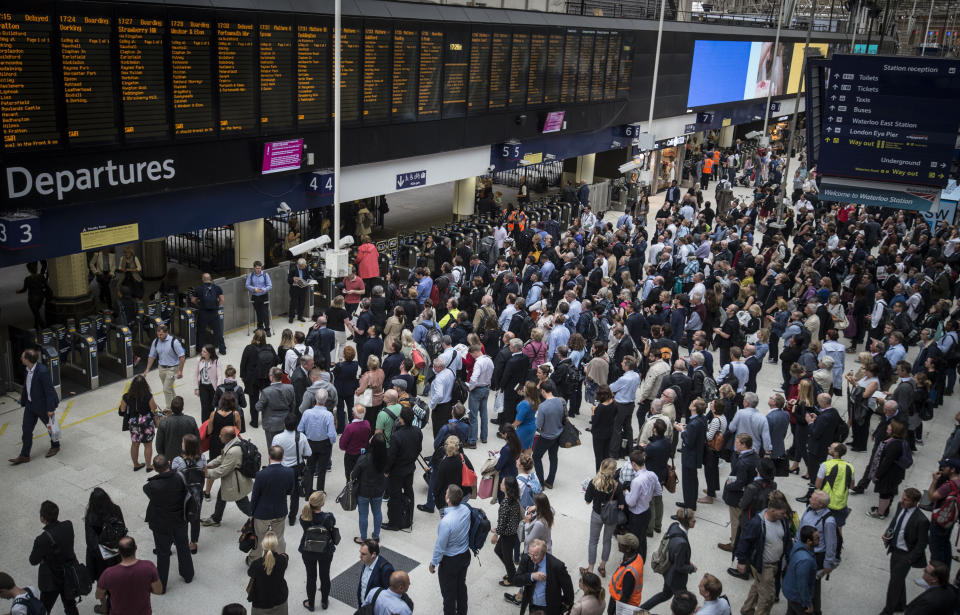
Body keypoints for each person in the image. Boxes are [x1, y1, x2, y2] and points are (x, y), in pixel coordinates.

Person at [730, 491, 793, 615]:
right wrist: (741, 562)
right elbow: (744, 542)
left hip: (776, 563)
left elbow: (786, 540)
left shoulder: (782, 521)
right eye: (783, 513)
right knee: (768, 597)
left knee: (758, 586)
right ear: (773, 510)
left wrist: (789, 558)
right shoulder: (757, 523)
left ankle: (747, 610)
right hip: (763, 565)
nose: (785, 515)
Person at [142, 454, 195, 590]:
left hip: (161, 524)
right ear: (169, 463)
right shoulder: (180, 477)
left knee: (163, 554)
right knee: (183, 548)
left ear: (154, 468)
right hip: (179, 520)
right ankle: (188, 575)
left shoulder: (151, 486)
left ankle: (162, 585)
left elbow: (147, 492)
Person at [880, 488, 929, 615]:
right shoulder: (900, 506)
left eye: (906, 500)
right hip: (895, 549)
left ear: (914, 502)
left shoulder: (922, 520)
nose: (902, 501)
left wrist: (910, 559)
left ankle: (888, 610)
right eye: (903, 498)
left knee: (894, 584)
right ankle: (900, 605)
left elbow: (922, 543)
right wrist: (888, 534)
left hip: (906, 555)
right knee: (897, 579)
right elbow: (895, 522)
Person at [640, 509, 697, 611]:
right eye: (692, 519)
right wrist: (691, 568)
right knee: (686, 605)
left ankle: (640, 609)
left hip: (668, 572)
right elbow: (679, 566)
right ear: (686, 522)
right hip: (677, 579)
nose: (695, 520)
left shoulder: (674, 526)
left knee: (665, 594)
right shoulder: (682, 544)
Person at [10, 349, 60, 465]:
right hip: (30, 405)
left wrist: (50, 409)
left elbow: (49, 391)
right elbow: (27, 386)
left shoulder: (42, 371)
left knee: (51, 427)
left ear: (27, 360)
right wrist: (23, 399)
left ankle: (55, 446)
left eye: (22, 357)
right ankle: (24, 455)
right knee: (26, 429)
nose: (21, 359)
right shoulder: (27, 370)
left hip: (43, 406)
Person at [28, 500, 78, 615]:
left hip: (51, 579)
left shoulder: (41, 539)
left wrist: (44, 559)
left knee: (44, 608)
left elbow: (33, 560)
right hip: (69, 574)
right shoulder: (68, 525)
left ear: (42, 518)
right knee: (70, 605)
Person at [430, 484, 472, 615]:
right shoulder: (466, 510)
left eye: (446, 493)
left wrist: (433, 563)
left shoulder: (446, 522)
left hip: (450, 561)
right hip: (465, 555)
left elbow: (440, 547)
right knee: (461, 587)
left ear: (448, 499)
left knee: (448, 594)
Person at [249, 446, 296, 561]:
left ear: (269, 457)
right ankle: (280, 558)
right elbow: (291, 491)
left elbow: (255, 496)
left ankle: (255, 559)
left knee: (259, 537)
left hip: (262, 513)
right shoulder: (290, 472)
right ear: (282, 457)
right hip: (280, 510)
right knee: (279, 537)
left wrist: (251, 513)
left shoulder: (261, 475)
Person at [83, 487, 125, 612]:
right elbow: (122, 529)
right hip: (116, 554)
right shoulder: (116, 509)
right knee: (116, 581)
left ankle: (104, 607)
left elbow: (91, 542)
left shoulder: (91, 517)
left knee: (102, 582)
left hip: (99, 559)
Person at [95, 537, 163, 614]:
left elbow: (98, 595)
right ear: (136, 548)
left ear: (119, 552)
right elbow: (158, 590)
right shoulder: (149, 567)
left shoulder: (108, 574)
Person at [202, 427, 253, 527]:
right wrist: (208, 465)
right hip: (232, 480)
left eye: (221, 435)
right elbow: (222, 457)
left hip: (235, 483)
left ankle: (261, 520)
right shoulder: (234, 442)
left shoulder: (233, 451)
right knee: (221, 496)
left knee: (243, 504)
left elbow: (223, 470)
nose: (219, 436)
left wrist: (207, 473)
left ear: (227, 437)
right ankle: (216, 518)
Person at [798, 491, 838, 615]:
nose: (809, 499)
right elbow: (801, 527)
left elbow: (831, 544)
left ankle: (815, 610)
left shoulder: (829, 521)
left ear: (821, 505)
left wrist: (828, 564)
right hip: (801, 551)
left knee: (813, 585)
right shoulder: (809, 508)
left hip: (815, 556)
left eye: (813, 499)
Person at [718, 433, 759, 551]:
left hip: (738, 497)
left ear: (744, 445)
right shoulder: (754, 456)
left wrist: (729, 486)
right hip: (746, 494)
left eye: (737, 443)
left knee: (735, 520)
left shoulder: (743, 462)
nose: (735, 445)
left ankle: (734, 543)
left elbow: (740, 482)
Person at [383, 408, 422, 532]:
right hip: (409, 468)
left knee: (395, 496)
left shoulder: (396, 436)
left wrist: (386, 470)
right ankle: (409, 518)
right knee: (409, 492)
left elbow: (391, 457)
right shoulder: (417, 431)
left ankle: (394, 523)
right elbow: (419, 449)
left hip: (397, 471)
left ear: (402, 420)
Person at [298, 491, 338, 611]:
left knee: (311, 577)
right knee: (325, 576)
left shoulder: (304, 517)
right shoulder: (328, 517)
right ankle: (324, 602)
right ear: (322, 503)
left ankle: (311, 604)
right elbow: (333, 525)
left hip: (308, 550)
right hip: (325, 551)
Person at [512, 538, 574, 615]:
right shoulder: (526, 559)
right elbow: (516, 581)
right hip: (533, 605)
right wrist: (532, 576)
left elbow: (568, 589)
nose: (532, 558)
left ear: (544, 553)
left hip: (549, 607)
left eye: (535, 555)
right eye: (530, 554)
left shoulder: (557, 566)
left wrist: (565, 605)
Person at [272, 412, 313, 526]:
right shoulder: (302, 437)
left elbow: (273, 453)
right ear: (296, 425)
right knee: (295, 495)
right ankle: (292, 517)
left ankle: (280, 514)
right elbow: (308, 453)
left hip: (282, 468)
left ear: (284, 424)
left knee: (281, 493)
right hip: (297, 469)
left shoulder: (277, 438)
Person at [583, 459, 623, 578]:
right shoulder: (616, 485)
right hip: (610, 517)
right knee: (607, 540)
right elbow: (621, 505)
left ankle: (590, 569)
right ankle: (602, 566)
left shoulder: (593, 482)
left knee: (593, 541)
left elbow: (587, 501)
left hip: (596, 515)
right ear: (613, 470)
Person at [171, 433, 206, 555]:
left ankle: (181, 541)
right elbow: (205, 472)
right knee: (195, 518)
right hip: (197, 494)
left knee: (182, 518)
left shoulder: (178, 461)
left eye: (182, 442)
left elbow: (174, 477)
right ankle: (193, 543)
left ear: (186, 446)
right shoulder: (203, 458)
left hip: (182, 495)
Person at [298, 390, 337, 495]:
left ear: (315, 398)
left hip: (310, 443)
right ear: (325, 400)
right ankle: (320, 492)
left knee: (310, 468)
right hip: (324, 444)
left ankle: (308, 491)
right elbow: (332, 434)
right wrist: (332, 442)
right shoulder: (328, 415)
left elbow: (300, 429)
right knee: (322, 469)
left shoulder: (307, 413)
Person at [351, 433, 388, 543]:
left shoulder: (364, 459)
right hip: (378, 490)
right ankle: (376, 536)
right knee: (377, 512)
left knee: (363, 515)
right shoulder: (385, 458)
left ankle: (363, 537)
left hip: (364, 491)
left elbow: (353, 475)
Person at [120, 374, 160, 471]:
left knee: (135, 443)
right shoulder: (148, 396)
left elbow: (122, 410)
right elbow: (154, 408)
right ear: (145, 385)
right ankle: (149, 466)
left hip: (133, 422)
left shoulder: (126, 396)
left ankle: (136, 464)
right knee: (148, 444)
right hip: (146, 422)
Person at [927, 458, 960, 575]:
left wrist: (934, 481)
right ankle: (945, 573)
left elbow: (931, 497)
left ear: (952, 470)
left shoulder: (949, 485)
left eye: (945, 467)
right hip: (950, 520)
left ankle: (935, 576)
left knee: (936, 550)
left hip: (939, 520)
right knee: (945, 547)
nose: (942, 469)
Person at [143, 324, 186, 410]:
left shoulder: (174, 342)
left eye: (161, 334)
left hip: (172, 368)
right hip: (161, 368)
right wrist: (147, 369)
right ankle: (176, 405)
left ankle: (169, 409)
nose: (159, 336)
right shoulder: (156, 342)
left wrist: (180, 371)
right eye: (158, 334)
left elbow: (182, 357)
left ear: (166, 332)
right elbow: (152, 356)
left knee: (166, 389)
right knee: (168, 388)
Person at [676, 398, 707, 511]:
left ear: (694, 408)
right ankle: (690, 503)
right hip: (695, 456)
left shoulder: (695, 423)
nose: (690, 403)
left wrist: (682, 431)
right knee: (692, 481)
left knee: (688, 483)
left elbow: (689, 442)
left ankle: (689, 508)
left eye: (692, 403)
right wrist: (686, 428)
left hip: (690, 457)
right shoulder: (701, 419)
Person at [247, 531, 289, 615]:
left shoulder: (256, 565)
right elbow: (285, 556)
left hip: (260, 602)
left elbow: (250, 573)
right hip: (280, 600)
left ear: (263, 545)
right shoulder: (282, 560)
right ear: (276, 545)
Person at [491, 476, 523, 583]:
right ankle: (512, 572)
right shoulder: (514, 499)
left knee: (508, 557)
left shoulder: (505, 503)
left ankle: (512, 578)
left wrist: (496, 533)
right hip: (512, 533)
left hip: (507, 535)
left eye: (503, 483)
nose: (500, 484)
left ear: (507, 488)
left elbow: (502, 522)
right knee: (498, 551)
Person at [533, 380, 564, 489]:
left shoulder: (543, 406)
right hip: (558, 434)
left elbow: (539, 424)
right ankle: (550, 481)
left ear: (543, 391)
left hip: (546, 436)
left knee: (536, 457)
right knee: (553, 457)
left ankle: (540, 482)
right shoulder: (561, 401)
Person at [782, 526, 820, 615]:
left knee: (791, 612)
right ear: (808, 541)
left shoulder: (798, 546)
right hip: (797, 597)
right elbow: (802, 585)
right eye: (817, 538)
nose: (819, 539)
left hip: (790, 591)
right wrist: (808, 603)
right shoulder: (805, 561)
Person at [257, 367, 296, 452]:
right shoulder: (290, 388)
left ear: (271, 377)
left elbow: (258, 407)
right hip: (286, 422)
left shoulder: (266, 392)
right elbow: (293, 405)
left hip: (271, 424)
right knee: (285, 446)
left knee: (272, 448)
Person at [607, 532, 644, 614]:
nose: (619, 543)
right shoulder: (637, 557)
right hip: (617, 598)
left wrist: (617, 612)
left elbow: (625, 596)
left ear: (628, 549)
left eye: (622, 543)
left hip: (620, 602)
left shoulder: (629, 573)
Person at [191, 272, 226, 354]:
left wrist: (199, 304)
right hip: (214, 313)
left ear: (203, 279)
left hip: (203, 312)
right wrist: (217, 306)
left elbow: (193, 300)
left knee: (201, 331)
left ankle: (200, 349)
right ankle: (222, 349)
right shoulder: (217, 288)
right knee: (218, 332)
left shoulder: (198, 288)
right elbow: (222, 300)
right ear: (210, 279)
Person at [155, 396, 199, 461]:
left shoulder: (163, 423)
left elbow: (159, 445)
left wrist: (164, 459)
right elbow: (197, 440)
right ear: (182, 408)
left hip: (170, 459)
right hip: (188, 458)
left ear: (171, 408)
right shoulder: (191, 421)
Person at [467, 345, 493, 446]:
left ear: (475, 352)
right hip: (486, 388)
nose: (472, 357)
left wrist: (470, 387)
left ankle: (472, 440)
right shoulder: (489, 360)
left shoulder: (478, 362)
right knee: (484, 413)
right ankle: (484, 437)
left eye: (472, 354)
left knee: (473, 416)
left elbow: (474, 378)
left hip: (477, 389)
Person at [590, 386, 618, 471]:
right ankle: (606, 473)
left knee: (598, 457)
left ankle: (599, 476)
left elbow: (594, 421)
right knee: (606, 455)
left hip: (599, 434)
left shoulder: (600, 408)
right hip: (609, 432)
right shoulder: (614, 403)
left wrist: (593, 411)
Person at [193, 344, 222, 424]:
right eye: (202, 351)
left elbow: (219, 376)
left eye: (204, 352)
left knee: (212, 406)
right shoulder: (199, 360)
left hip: (213, 387)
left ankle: (211, 423)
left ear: (210, 353)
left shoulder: (216, 361)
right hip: (203, 386)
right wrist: (196, 388)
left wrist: (218, 388)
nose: (202, 353)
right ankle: (205, 425)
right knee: (205, 407)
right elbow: (195, 374)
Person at [245, 260, 273, 335]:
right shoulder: (250, 275)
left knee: (265, 312)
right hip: (255, 296)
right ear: (254, 268)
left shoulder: (265, 275)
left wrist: (263, 289)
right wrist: (254, 289)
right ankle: (260, 327)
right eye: (257, 268)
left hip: (264, 295)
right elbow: (247, 285)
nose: (258, 270)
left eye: (260, 268)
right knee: (258, 312)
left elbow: (270, 285)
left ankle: (267, 329)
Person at [287, 257, 312, 323]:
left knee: (302, 303)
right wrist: (293, 279)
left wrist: (310, 280)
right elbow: (288, 280)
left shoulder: (305, 268)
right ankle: (291, 317)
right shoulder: (293, 269)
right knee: (293, 303)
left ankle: (300, 316)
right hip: (295, 289)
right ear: (299, 265)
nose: (305, 267)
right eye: (303, 266)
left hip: (303, 288)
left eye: (305, 266)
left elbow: (308, 276)